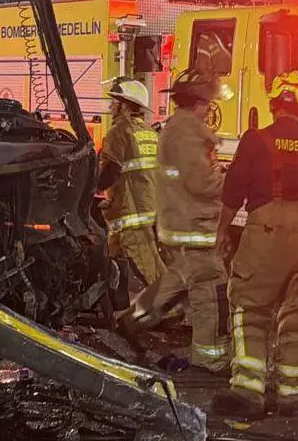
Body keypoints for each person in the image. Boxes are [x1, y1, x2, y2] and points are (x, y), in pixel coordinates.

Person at [208, 72, 298, 418]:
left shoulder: (255, 141)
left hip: (266, 237)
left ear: (272, 104)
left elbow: (233, 191)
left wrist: (222, 232)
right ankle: (292, 394)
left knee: (250, 310)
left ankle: (249, 392)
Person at [118, 70, 232, 373]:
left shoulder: (179, 128)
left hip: (181, 223)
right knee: (206, 290)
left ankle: (132, 319)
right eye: (208, 102)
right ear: (199, 102)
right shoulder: (188, 133)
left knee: (178, 279)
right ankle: (208, 356)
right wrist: (232, 182)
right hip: (192, 225)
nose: (210, 108)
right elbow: (202, 182)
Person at [97, 78, 165, 287]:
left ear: (125, 105)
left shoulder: (119, 132)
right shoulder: (149, 132)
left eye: (115, 102)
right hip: (146, 208)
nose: (111, 107)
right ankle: (105, 307)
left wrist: (91, 188)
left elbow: (111, 171)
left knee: (149, 267)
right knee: (105, 262)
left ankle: (170, 310)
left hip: (132, 214)